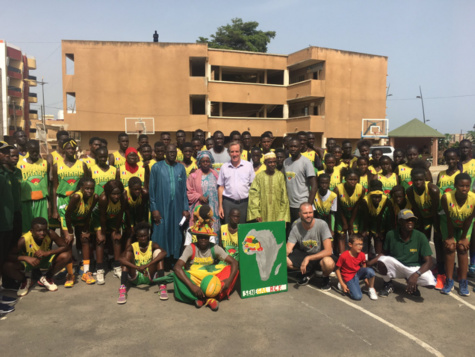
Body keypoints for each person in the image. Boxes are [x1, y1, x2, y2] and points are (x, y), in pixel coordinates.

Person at [168, 206, 239, 311]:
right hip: (195, 280)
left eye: (205, 237)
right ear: (196, 237)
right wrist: (192, 286)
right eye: (200, 237)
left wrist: (228, 281)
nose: (203, 240)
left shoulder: (214, 247)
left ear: (209, 238)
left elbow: (234, 262)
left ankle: (202, 299)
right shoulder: (191, 248)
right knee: (178, 275)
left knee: (232, 270)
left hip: (211, 280)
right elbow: (177, 267)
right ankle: (211, 298)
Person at [372, 209, 436, 297]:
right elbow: (383, 253)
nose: (410, 222)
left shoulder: (420, 236)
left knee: (430, 283)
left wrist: (416, 275)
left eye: (412, 220)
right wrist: (370, 262)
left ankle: (413, 285)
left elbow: (429, 261)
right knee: (382, 261)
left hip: (413, 268)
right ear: (400, 221)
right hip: (397, 266)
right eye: (407, 220)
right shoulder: (391, 234)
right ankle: (388, 284)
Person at [51, 139, 88, 287]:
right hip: (63, 201)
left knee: (80, 232)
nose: (70, 150)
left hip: (78, 200)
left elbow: (86, 182)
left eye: (73, 148)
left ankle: (79, 261)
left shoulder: (82, 164)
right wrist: (53, 208)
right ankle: (69, 269)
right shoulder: (56, 166)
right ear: (63, 149)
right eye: (68, 148)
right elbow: (54, 187)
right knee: (66, 237)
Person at [3, 217, 71, 297]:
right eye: (38, 231)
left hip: (45, 260)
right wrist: (25, 258)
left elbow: (65, 246)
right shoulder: (24, 239)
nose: (42, 233)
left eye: (44, 230)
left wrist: (48, 252)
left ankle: (47, 277)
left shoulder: (50, 233)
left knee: (67, 255)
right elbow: (9, 255)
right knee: (6, 266)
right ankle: (25, 281)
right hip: (29, 263)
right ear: (32, 231)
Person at [150, 144, 189, 263]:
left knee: (176, 232)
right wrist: (154, 208)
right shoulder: (157, 167)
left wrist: (185, 208)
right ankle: (161, 260)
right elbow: (152, 189)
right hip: (161, 206)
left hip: (177, 207)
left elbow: (184, 191)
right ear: (165, 152)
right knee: (161, 232)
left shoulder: (181, 168)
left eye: (174, 152)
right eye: (170, 152)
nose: (172, 154)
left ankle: (174, 259)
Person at [440, 173, 475, 296]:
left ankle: (463, 282)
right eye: (461, 186)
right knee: (450, 248)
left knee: (462, 248)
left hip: (465, 224)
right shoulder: (446, 197)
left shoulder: (474, 198)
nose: (464, 188)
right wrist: (450, 237)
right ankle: (449, 281)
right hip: (449, 223)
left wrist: (464, 238)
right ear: (455, 185)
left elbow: (470, 219)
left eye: (467, 186)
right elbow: (448, 219)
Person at [286, 202, 335, 289]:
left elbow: (328, 251)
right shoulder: (295, 226)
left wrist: (308, 258)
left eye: (310, 212)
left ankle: (325, 277)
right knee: (284, 260)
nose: (308, 215)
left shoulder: (322, 224)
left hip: (320, 256)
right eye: (305, 213)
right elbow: (288, 248)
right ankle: (308, 272)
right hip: (305, 253)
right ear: (300, 214)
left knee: (329, 263)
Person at [117, 222, 168, 304]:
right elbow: (121, 259)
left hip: (149, 274)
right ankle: (123, 289)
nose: (143, 238)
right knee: (126, 260)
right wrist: (137, 267)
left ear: (148, 235)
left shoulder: (152, 244)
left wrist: (147, 265)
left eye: (145, 236)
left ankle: (162, 286)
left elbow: (164, 253)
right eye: (141, 236)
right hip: (136, 275)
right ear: (137, 237)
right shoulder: (133, 246)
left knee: (159, 256)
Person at [63, 178, 98, 286]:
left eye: (91, 188)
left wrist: (85, 230)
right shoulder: (77, 196)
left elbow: (88, 214)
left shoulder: (95, 197)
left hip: (81, 217)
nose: (89, 191)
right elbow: (67, 215)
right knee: (69, 241)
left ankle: (86, 271)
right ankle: (70, 274)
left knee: (85, 239)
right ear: (81, 188)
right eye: (87, 188)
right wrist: (70, 232)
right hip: (68, 218)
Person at [93, 180, 126, 284]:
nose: (116, 196)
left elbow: (120, 214)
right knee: (100, 240)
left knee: (116, 239)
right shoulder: (103, 199)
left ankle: (117, 266)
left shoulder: (123, 198)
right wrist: (103, 232)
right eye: (113, 194)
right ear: (108, 193)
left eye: (118, 193)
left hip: (113, 217)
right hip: (99, 218)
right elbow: (102, 218)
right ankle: (99, 269)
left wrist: (116, 231)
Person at [218, 141, 255, 224]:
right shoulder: (224, 167)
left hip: (244, 204)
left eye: (237, 151)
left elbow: (253, 186)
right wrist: (220, 206)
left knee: (243, 230)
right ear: (229, 153)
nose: (234, 154)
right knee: (228, 228)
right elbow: (221, 187)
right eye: (232, 152)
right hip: (228, 203)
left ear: (241, 152)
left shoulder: (248, 166)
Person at [17, 140, 50, 234]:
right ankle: (27, 248)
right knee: (27, 229)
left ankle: (43, 248)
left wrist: (50, 205)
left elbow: (48, 183)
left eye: (37, 150)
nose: (35, 153)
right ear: (27, 150)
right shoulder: (19, 164)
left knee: (42, 228)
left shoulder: (44, 163)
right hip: (26, 201)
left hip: (41, 200)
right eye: (32, 151)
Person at [247, 152, 290, 223]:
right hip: (262, 213)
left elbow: (284, 197)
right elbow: (254, 195)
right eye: (270, 162)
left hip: (278, 214)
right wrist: (256, 214)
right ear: (265, 163)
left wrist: (282, 216)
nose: (272, 164)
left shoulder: (280, 176)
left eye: (274, 162)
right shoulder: (259, 176)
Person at [283, 138, 317, 226]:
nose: (293, 149)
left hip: (302, 204)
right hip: (289, 205)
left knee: (303, 231)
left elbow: (314, 186)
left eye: (295, 146)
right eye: (291, 146)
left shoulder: (306, 162)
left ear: (300, 148)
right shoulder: (286, 162)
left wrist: (308, 205)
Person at [335, 235, 378, 300]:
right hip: (348, 276)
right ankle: (344, 285)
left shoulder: (362, 254)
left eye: (361, 244)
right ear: (350, 244)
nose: (360, 247)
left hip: (357, 273)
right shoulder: (344, 255)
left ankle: (371, 288)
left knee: (371, 271)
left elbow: (364, 267)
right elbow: (337, 270)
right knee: (357, 297)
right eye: (357, 244)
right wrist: (342, 284)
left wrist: (366, 280)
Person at [187, 151, 220, 233]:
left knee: (213, 231)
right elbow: (188, 191)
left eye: (207, 161)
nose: (205, 163)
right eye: (203, 161)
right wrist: (199, 197)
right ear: (199, 163)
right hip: (199, 210)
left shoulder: (216, 174)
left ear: (210, 162)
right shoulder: (193, 176)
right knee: (200, 231)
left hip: (213, 209)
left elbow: (220, 189)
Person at [334, 169, 364, 255]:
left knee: (353, 235)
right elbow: (338, 207)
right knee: (341, 234)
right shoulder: (338, 189)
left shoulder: (361, 189)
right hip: (341, 213)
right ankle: (342, 256)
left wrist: (350, 222)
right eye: (350, 179)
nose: (352, 182)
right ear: (345, 179)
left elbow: (357, 206)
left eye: (355, 179)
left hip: (354, 213)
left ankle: (354, 256)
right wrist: (344, 222)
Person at [360, 180, 392, 255]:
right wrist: (365, 230)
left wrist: (378, 231)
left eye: (379, 197)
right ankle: (365, 257)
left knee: (378, 238)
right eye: (374, 197)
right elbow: (365, 217)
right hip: (367, 221)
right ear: (370, 195)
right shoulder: (365, 200)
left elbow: (382, 216)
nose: (377, 199)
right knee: (366, 238)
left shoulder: (386, 200)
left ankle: (378, 260)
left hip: (379, 222)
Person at [0, 142, 15, 296]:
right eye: (2, 152)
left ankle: (4, 287)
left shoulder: (5, 172)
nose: (6, 155)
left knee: (4, 256)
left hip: (7, 223)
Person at [459, 139, 475, 277]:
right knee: (462, 235)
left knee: (473, 235)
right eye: (462, 147)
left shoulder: (474, 163)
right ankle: (461, 265)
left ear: (470, 149)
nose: (464, 150)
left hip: (472, 202)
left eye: (467, 148)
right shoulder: (457, 164)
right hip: (458, 204)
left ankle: (473, 264)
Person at [4, 146, 22, 242]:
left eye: (17, 155)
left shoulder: (18, 172)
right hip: (6, 213)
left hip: (17, 211)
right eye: (12, 156)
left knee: (17, 237)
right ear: (6, 156)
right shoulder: (3, 173)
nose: (15, 158)